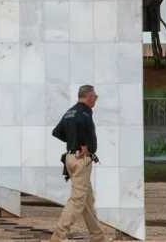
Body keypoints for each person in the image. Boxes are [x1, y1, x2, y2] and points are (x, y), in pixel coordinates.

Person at [50, 85, 106, 242]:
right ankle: (58, 236)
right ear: (89, 96)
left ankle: (98, 237)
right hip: (81, 160)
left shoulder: (70, 112)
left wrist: (73, 142)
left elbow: (57, 132)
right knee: (77, 201)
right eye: (95, 96)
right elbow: (91, 139)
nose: (96, 99)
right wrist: (85, 146)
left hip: (70, 157)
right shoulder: (85, 113)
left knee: (87, 201)